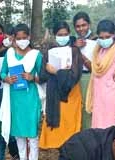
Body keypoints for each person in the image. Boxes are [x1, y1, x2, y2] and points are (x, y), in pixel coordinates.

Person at [0, 23, 43, 160]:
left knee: (32, 130)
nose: (22, 40)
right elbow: (3, 72)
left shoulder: (36, 55)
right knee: (18, 131)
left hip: (30, 96)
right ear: (14, 39)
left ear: (29, 37)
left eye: (25, 37)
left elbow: (43, 76)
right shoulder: (10, 54)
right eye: (19, 38)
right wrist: (7, 79)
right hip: (15, 96)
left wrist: (32, 77)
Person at [39, 21, 82, 149]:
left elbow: (74, 76)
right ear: (55, 35)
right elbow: (43, 75)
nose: (62, 37)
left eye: (65, 34)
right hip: (55, 95)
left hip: (71, 94)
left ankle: (71, 153)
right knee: (59, 127)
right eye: (60, 34)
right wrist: (48, 69)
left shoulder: (74, 51)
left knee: (70, 125)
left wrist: (57, 72)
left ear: (69, 34)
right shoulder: (49, 52)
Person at [0, 30, 18, 160]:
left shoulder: (10, 53)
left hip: (8, 91)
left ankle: (14, 154)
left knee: (8, 124)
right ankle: (0, 157)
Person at [73, 11, 97, 130]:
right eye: (78, 26)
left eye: (84, 25)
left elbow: (94, 67)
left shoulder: (97, 41)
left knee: (89, 108)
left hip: (90, 78)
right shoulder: (73, 42)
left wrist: (79, 52)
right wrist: (74, 47)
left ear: (89, 25)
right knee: (78, 108)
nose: (81, 28)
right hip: (76, 79)